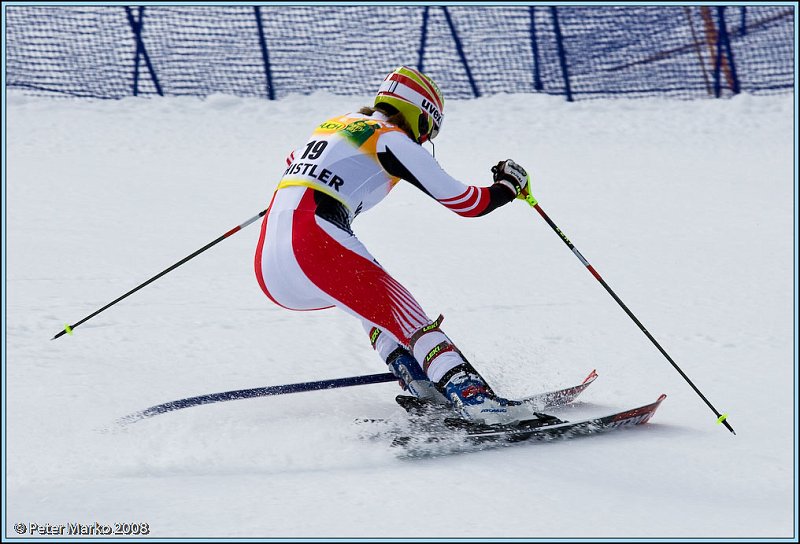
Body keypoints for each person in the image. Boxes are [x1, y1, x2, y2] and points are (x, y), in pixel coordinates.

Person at [254, 66, 538, 426]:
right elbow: (467, 203)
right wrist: (508, 187)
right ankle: (478, 402)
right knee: (411, 319)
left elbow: (294, 160)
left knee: (368, 302)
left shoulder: (334, 124)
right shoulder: (391, 139)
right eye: (427, 130)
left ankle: (421, 384)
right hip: (313, 242)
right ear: (420, 115)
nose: (424, 140)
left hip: (271, 262)